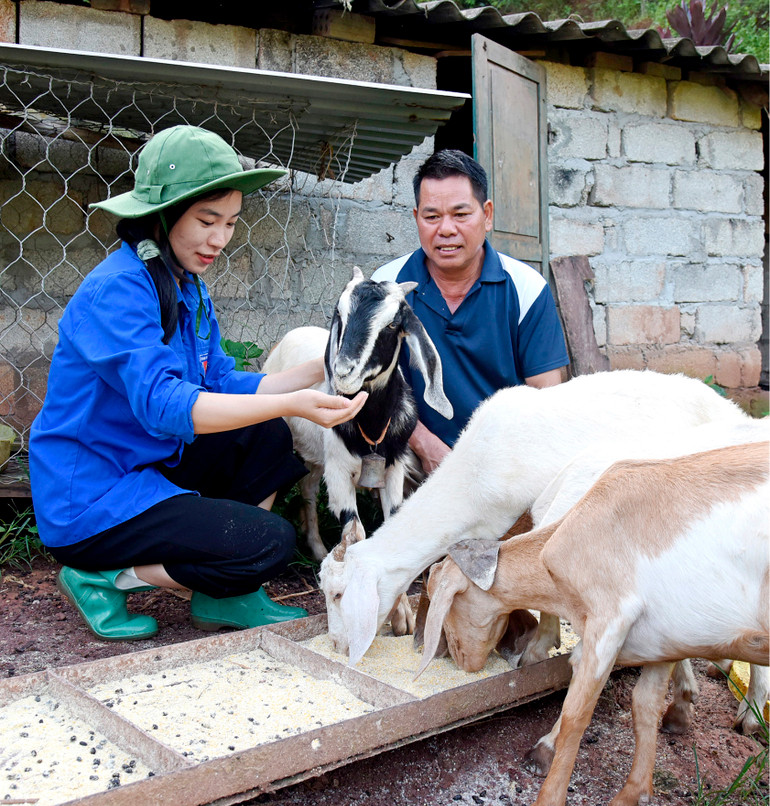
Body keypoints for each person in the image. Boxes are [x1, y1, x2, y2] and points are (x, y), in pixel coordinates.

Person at [29, 125, 366, 642]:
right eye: (207, 221)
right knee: (270, 544)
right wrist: (296, 400)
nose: (220, 239)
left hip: (150, 463)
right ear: (161, 215)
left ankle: (228, 592)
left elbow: (219, 380)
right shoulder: (119, 290)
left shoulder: (184, 284)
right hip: (93, 501)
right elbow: (166, 405)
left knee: (269, 438)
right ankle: (103, 577)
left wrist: (324, 364)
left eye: (230, 223)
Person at [372, 149, 569, 474]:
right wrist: (426, 446)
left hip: (506, 457)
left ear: (487, 215)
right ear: (416, 218)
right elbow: (371, 387)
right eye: (431, 216)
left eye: (461, 214)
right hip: (418, 454)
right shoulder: (385, 288)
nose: (446, 229)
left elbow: (547, 400)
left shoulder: (526, 288)